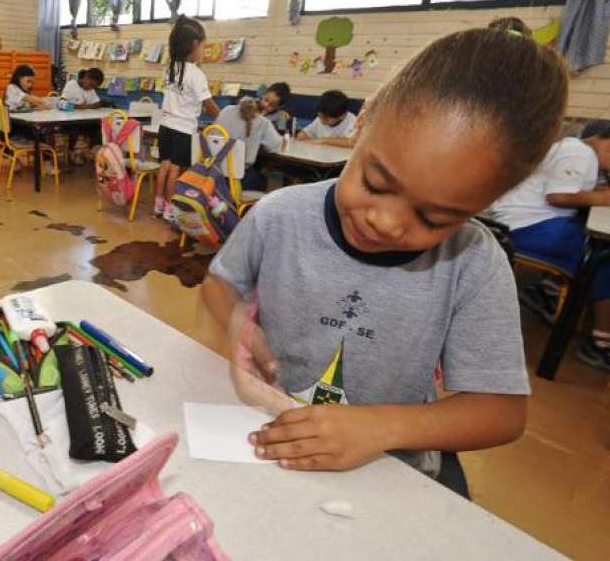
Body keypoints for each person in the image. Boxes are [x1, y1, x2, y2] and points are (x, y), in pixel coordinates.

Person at [202, 28, 568, 496]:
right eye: (375, 183)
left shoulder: (473, 262)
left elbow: (502, 412)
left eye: (434, 217)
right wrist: (240, 326)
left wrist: (380, 428)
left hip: (386, 474)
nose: (387, 223)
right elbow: (220, 284)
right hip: (268, 442)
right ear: (364, 121)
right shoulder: (279, 215)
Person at [488, 122, 610, 371]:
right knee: (601, 258)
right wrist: (604, 198)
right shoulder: (580, 153)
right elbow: (558, 196)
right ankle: (602, 342)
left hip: (524, 223)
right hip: (526, 227)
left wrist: (596, 191)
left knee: (589, 240)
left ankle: (547, 291)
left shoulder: (577, 150)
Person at [154, 16, 220, 222]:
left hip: (165, 125)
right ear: (194, 44)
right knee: (175, 168)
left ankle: (158, 204)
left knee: (164, 165)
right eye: (202, 45)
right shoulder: (196, 73)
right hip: (183, 129)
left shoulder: (170, 68)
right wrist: (223, 117)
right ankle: (170, 208)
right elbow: (209, 105)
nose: (203, 50)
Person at [215, 97, 283, 192]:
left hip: (214, 172)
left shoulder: (226, 110)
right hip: (239, 178)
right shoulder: (263, 122)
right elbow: (275, 146)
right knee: (264, 179)